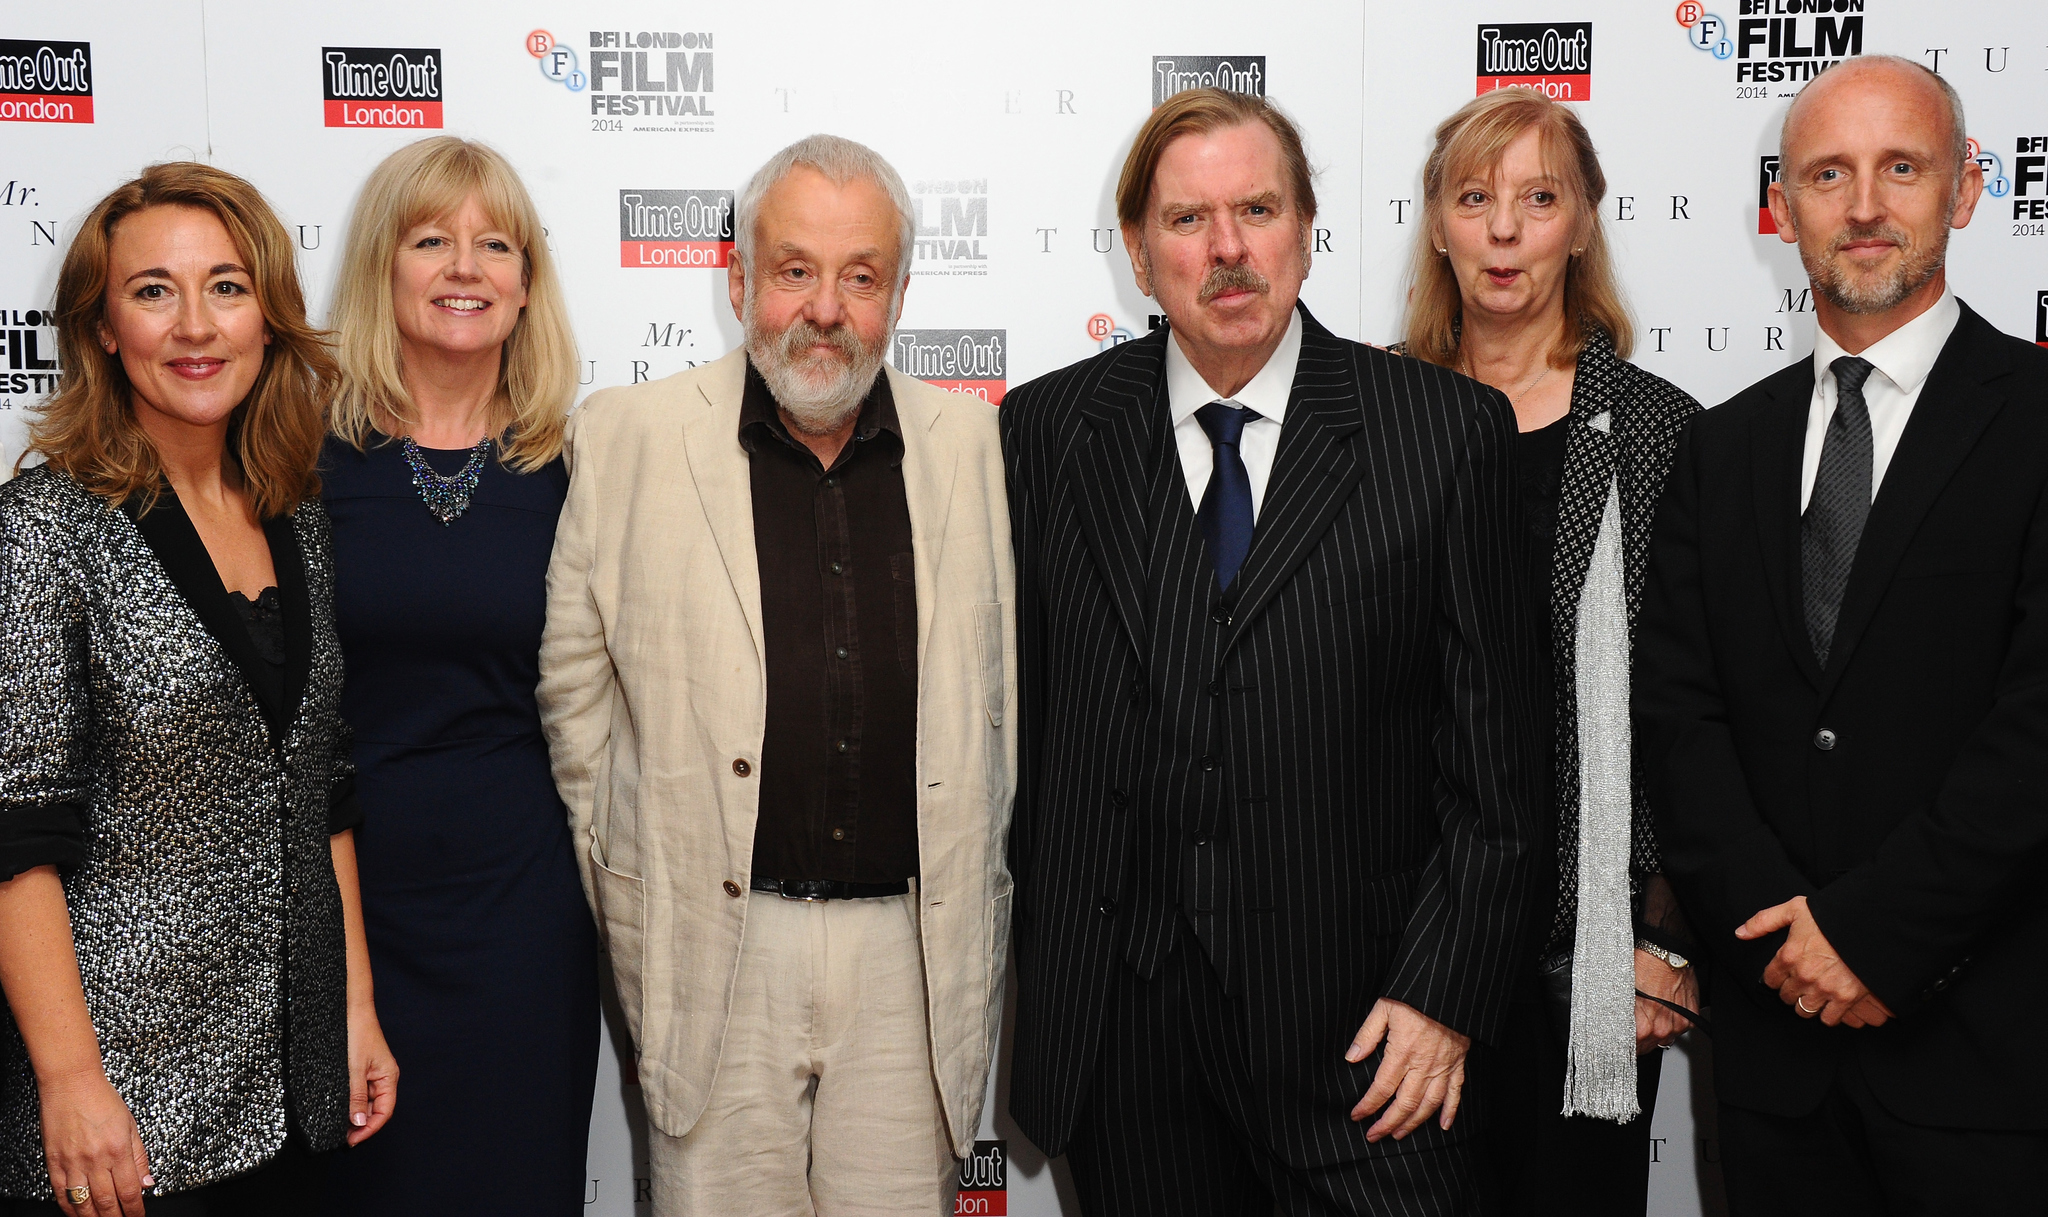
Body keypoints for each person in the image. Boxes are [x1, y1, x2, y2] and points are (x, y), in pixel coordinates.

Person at [1002, 88, 1542, 1215]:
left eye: (1256, 208)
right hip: (1128, 1054)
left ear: (1306, 226)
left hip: (1367, 1058)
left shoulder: (1442, 434)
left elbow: (1500, 772)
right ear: (1138, 255)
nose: (1228, 249)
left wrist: (1442, 998)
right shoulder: (1047, 432)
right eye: (1188, 220)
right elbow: (1028, 726)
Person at [538, 134, 1015, 1216]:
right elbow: (575, 690)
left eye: (861, 276)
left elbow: (1002, 708)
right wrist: (630, 863)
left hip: (911, 952)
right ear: (738, 275)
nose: (825, 309)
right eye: (795, 269)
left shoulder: (977, 445)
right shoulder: (627, 438)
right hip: (716, 946)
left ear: (899, 290)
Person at [1635, 55, 2048, 1211]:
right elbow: (1676, 715)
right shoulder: (1717, 450)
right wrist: (1784, 942)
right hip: (1774, 1069)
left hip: (1987, 1063)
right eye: (1827, 173)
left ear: (1963, 191)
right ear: (1782, 207)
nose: (1863, 206)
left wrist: (1869, 935)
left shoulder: (2032, 422)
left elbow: (2034, 730)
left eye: (1899, 167)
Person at [0, 162, 397, 1216]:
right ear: (100, 329)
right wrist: (71, 1081)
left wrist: (353, 1004)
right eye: (152, 290)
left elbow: (323, 786)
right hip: (123, 1114)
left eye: (225, 286)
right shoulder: (45, 528)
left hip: (291, 1092)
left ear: (267, 315)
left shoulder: (292, 509)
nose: (195, 325)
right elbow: (13, 835)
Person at [1393, 91, 1701, 1214]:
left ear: (1581, 222)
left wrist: (1664, 939)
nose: (1504, 228)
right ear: (1436, 224)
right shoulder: (1374, 413)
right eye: (1473, 198)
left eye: (1538, 197)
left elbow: (1691, 712)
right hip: (1397, 935)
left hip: (1592, 955)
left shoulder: (1664, 431)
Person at [316, 137, 596, 1215]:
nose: (464, 267)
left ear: (527, 285)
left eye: (495, 244)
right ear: (382, 269)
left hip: (525, 914)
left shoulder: (579, 469)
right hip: (346, 903)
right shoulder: (301, 462)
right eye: (430, 239)